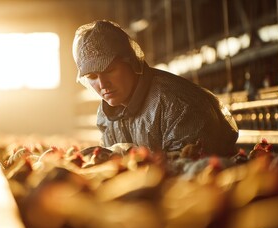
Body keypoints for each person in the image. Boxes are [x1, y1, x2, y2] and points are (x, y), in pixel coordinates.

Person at [72, 19, 239, 157]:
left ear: (130, 61)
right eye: (92, 77)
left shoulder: (178, 105)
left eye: (109, 70)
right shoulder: (106, 115)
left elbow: (190, 168)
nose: (102, 85)